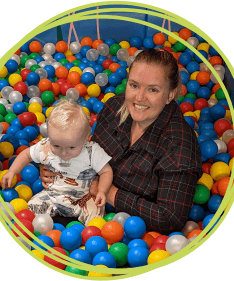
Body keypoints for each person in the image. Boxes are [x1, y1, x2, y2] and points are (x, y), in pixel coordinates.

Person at [40, 48, 203, 235]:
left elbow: (168, 218)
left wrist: (109, 192)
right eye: (134, 85)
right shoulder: (113, 109)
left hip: (133, 237)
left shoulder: (179, 146)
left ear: (170, 94)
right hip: (78, 207)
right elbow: (88, 152)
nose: (139, 97)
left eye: (153, 89)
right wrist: (55, 161)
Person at [2, 100, 113, 226]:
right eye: (57, 145)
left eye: (71, 148)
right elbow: (26, 154)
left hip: (83, 199)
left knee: (96, 215)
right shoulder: (46, 147)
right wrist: (12, 171)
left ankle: (90, 238)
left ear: (85, 139)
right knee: (31, 208)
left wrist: (102, 191)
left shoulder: (92, 151)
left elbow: (106, 171)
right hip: (52, 196)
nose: (64, 153)